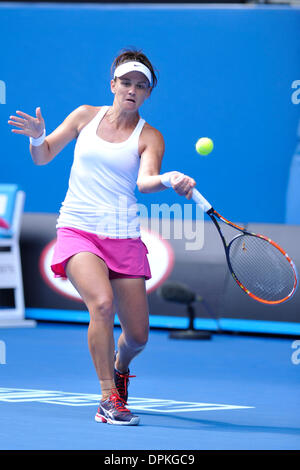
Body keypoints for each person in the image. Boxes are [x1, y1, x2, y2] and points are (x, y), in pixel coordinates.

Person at [8, 48, 196, 426]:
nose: (132, 89)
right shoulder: (83, 116)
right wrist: (37, 137)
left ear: (147, 94)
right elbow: (43, 156)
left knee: (138, 336)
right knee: (101, 304)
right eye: (125, 82)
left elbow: (144, 181)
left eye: (141, 86)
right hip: (78, 228)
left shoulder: (150, 137)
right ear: (113, 84)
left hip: (122, 237)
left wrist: (167, 179)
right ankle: (109, 397)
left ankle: (121, 365)